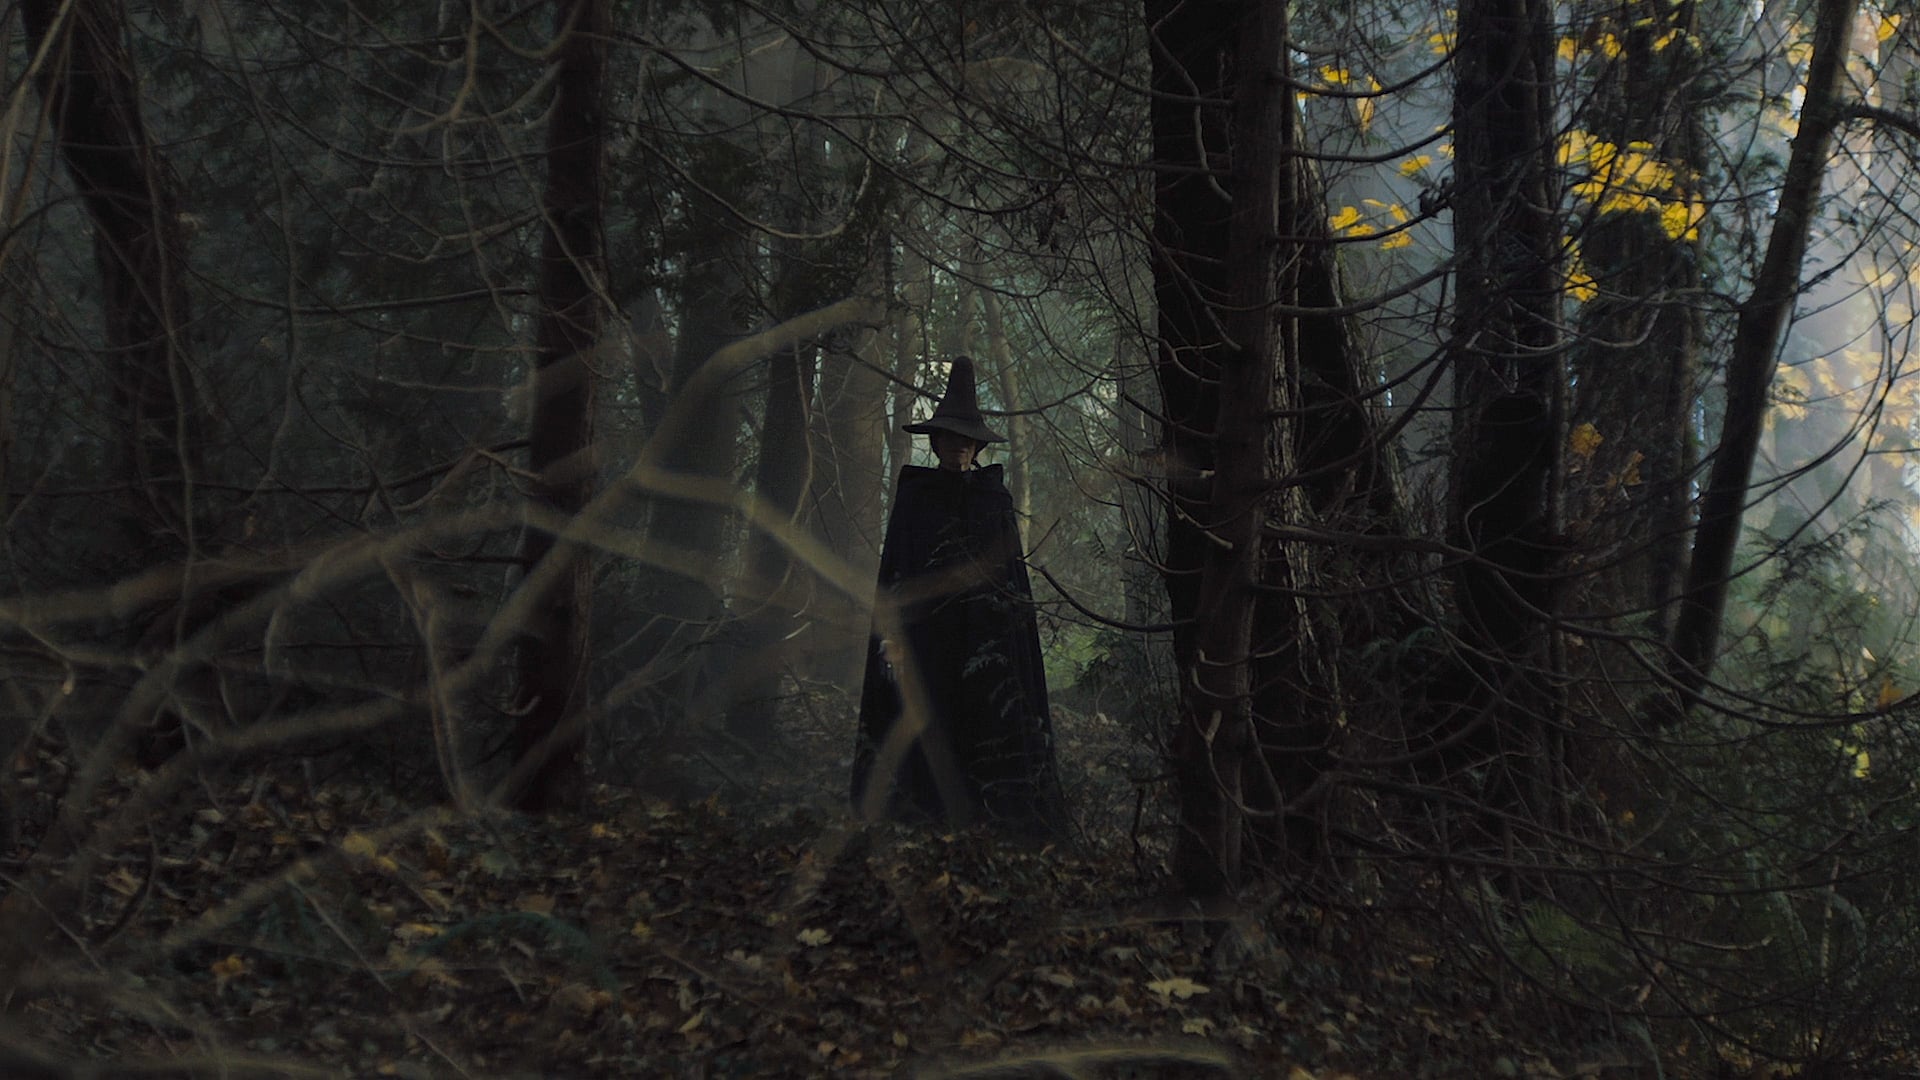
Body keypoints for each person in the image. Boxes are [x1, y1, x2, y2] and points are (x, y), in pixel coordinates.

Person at [848, 356, 1065, 837]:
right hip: (926, 640)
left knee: (980, 721)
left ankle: (987, 816)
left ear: (978, 446)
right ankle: (920, 815)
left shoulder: (993, 500)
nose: (960, 448)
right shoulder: (915, 498)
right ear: (936, 441)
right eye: (950, 438)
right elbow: (896, 573)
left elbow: (1009, 580)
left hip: (983, 639)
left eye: (968, 441)